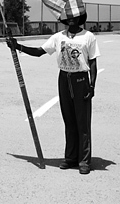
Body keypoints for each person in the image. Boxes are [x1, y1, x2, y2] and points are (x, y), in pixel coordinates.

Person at [7, 12, 100, 175]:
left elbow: (92, 62)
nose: (71, 19)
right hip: (64, 79)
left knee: (82, 122)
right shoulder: (58, 37)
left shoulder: (88, 37)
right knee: (69, 120)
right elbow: (39, 51)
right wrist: (18, 46)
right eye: (68, 16)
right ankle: (71, 158)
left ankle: (84, 160)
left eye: (75, 16)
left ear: (80, 19)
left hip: (81, 80)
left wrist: (92, 85)